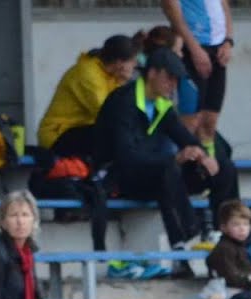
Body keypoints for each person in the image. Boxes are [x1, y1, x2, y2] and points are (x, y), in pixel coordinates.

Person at [94, 48, 238, 250]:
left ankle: (223, 234)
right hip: (119, 179)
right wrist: (176, 159)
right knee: (168, 167)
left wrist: (202, 155)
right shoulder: (123, 101)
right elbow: (126, 155)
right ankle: (190, 236)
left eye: (177, 79)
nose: (173, 85)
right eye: (169, 77)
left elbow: (184, 137)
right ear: (152, 73)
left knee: (224, 168)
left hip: (157, 174)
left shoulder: (162, 105)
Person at [38, 34, 140, 158]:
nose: (135, 65)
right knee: (115, 135)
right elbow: (107, 114)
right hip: (58, 134)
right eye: (133, 61)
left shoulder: (111, 75)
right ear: (119, 63)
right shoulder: (88, 74)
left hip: (79, 130)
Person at [161, 0, 235, 149]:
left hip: (218, 49)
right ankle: (182, 167)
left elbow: (224, 6)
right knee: (190, 120)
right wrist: (194, 49)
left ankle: (207, 168)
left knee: (210, 121)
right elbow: (169, 7)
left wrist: (228, 40)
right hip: (192, 48)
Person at [205, 199, 251, 299]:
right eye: (236, 224)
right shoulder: (224, 249)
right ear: (223, 227)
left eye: (245, 224)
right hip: (227, 292)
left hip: (241, 290)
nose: (242, 228)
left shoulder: (241, 246)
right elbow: (232, 278)